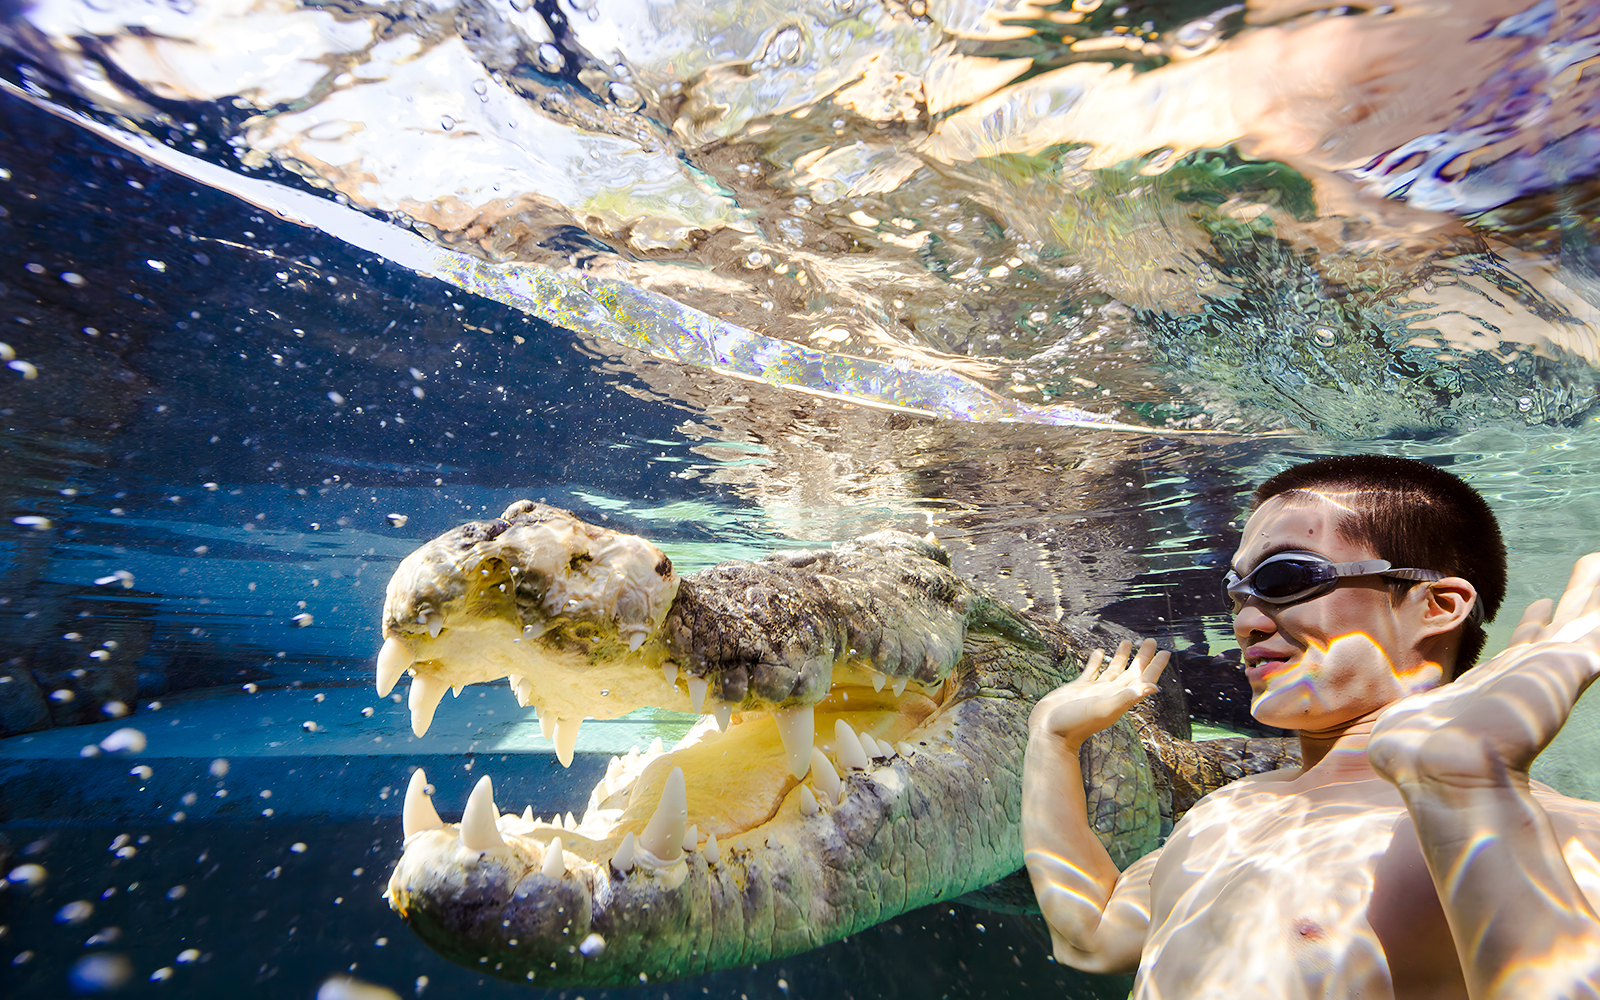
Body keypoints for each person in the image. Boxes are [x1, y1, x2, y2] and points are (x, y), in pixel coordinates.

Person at [1022, 454, 1600, 999]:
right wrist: (1051, 738)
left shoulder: (1555, 832)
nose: (1245, 620)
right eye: (1236, 589)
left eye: (1285, 579)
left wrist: (1468, 787)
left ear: (1437, 606)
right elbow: (1091, 938)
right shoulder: (1229, 810)